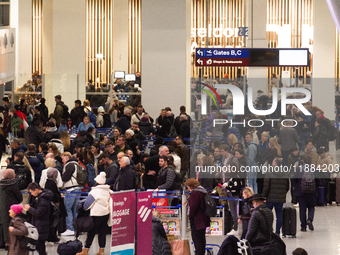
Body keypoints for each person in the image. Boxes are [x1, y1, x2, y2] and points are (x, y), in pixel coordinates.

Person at [76, 172, 113, 255]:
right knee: (102, 233)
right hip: (106, 214)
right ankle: (101, 251)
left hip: (96, 215)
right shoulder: (108, 191)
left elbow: (87, 205)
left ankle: (85, 250)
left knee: (91, 233)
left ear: (96, 182)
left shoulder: (94, 192)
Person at [262, 158, 290, 235]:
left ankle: (269, 231)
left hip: (270, 198)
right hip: (280, 199)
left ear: (275, 163)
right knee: (279, 215)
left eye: (273, 161)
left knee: (267, 215)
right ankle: (277, 232)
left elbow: (266, 186)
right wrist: (283, 193)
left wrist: (264, 196)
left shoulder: (269, 172)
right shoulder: (285, 173)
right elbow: (287, 186)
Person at [24, 182, 53, 255]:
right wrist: (30, 206)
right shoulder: (40, 197)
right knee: (40, 245)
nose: (31, 194)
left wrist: (29, 208)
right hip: (40, 224)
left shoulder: (43, 199)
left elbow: (39, 213)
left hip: (41, 225)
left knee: (40, 245)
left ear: (36, 190)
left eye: (31, 192)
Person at [184, 178, 210, 255]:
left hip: (197, 219)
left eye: (188, 186)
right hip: (203, 218)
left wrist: (190, 216)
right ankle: (201, 252)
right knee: (202, 238)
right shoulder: (202, 192)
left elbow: (194, 207)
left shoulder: (195, 194)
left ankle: (198, 253)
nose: (188, 188)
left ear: (191, 186)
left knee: (197, 239)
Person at [292, 155, 317, 232]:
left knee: (302, 209)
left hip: (301, 192)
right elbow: (319, 180)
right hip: (312, 192)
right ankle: (309, 219)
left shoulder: (299, 169)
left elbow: (293, 179)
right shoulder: (314, 169)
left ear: (303, 161)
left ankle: (303, 227)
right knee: (311, 207)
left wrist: (294, 186)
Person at [0, 169, 23, 250]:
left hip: (2, 207)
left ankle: (2, 242)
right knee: (11, 224)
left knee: (3, 223)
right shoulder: (13, 185)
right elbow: (20, 198)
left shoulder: (1, 184)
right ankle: (9, 243)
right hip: (12, 208)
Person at [61, 152, 82, 236]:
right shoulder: (77, 164)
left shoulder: (69, 165)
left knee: (68, 209)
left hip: (71, 189)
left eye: (62, 159)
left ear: (66, 157)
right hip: (78, 188)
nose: (62, 161)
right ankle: (77, 228)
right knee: (75, 210)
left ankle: (70, 228)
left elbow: (65, 177)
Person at [45, 168, 62, 243]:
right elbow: (53, 193)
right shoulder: (52, 183)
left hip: (50, 203)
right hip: (53, 204)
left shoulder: (48, 182)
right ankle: (52, 236)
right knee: (54, 221)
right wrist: (59, 197)